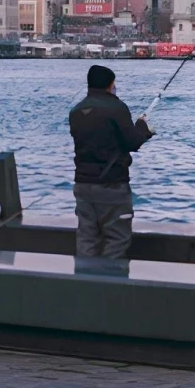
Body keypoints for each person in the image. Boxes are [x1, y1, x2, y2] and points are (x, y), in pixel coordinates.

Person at [68, 64, 153, 259]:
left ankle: (84, 282)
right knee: (117, 239)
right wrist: (142, 128)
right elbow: (132, 142)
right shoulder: (116, 108)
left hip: (83, 185)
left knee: (87, 237)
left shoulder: (76, 111)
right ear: (110, 85)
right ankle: (110, 283)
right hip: (112, 184)